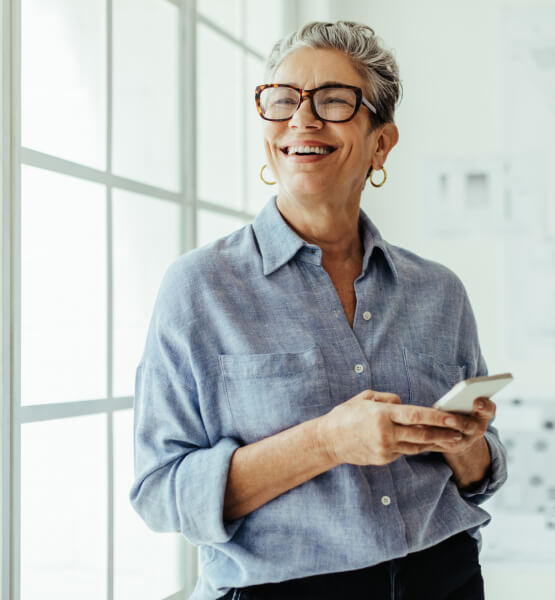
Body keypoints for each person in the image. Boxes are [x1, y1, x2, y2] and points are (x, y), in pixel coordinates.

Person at [130, 21, 508, 600]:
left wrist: (463, 443)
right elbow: (161, 494)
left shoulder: (440, 292)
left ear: (381, 143)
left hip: (445, 577)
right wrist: (327, 442)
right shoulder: (199, 288)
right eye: (283, 100)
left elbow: (479, 477)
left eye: (333, 101)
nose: (302, 120)